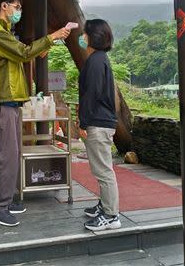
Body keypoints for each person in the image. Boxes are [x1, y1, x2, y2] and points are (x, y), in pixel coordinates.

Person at [0, 0, 71, 227]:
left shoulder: (4, 34)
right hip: (1, 101)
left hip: (10, 101)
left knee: (14, 153)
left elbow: (21, 56)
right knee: (6, 156)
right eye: (16, 7)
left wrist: (37, 51)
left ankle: (7, 200)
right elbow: (23, 52)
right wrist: (54, 36)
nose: (19, 11)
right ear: (4, 6)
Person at [77, 19, 121, 231]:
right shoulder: (99, 58)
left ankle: (111, 215)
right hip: (101, 121)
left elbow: (91, 94)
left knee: (103, 170)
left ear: (92, 36)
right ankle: (104, 206)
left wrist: (83, 122)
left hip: (98, 122)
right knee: (101, 169)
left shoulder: (95, 60)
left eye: (84, 33)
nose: (82, 37)